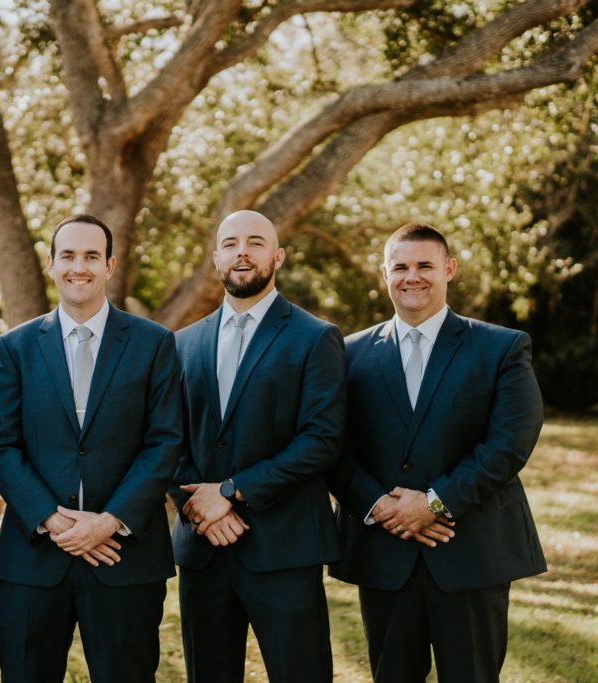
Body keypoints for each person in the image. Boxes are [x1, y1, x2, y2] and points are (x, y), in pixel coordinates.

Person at [329, 222, 547, 682]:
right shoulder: (347, 354)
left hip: (471, 550)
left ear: (449, 269)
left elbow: (510, 441)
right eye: (401, 267)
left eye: (425, 265)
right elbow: (331, 444)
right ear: (383, 274)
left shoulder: (502, 347)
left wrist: (433, 503)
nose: (413, 276)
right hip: (385, 552)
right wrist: (379, 505)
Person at [0, 214, 182, 682]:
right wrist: (53, 520)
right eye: (69, 255)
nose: (80, 266)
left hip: (124, 556)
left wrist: (109, 521)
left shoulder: (154, 344)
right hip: (33, 557)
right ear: (51, 264)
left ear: (110, 265)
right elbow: (0, 445)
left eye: (92, 256)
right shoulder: (15, 347)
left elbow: (164, 442)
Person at [170, 210, 345, 682]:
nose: (241, 251)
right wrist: (197, 507)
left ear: (278, 256)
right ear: (216, 258)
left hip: (284, 547)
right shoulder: (182, 344)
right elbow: (167, 439)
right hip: (204, 548)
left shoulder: (315, 338)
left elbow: (322, 439)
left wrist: (231, 491)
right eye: (230, 243)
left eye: (255, 242)